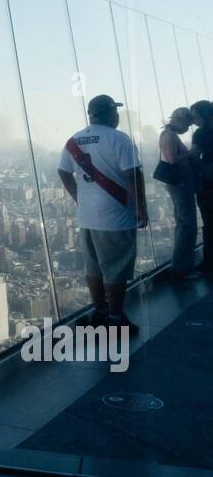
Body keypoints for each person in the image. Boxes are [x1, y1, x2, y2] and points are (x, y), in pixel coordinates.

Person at [58, 94, 147, 333]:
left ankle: (100, 311)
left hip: (87, 216)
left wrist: (78, 196)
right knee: (115, 268)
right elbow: (133, 176)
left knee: (94, 267)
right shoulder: (119, 138)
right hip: (115, 215)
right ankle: (116, 318)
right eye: (115, 111)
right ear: (109, 113)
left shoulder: (74, 140)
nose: (117, 116)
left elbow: (63, 171)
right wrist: (141, 208)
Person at [158, 107, 200, 280]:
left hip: (181, 183)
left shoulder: (169, 134)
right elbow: (172, 159)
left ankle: (181, 266)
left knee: (185, 223)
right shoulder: (169, 136)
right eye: (188, 123)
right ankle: (181, 268)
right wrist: (190, 154)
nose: (188, 128)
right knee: (186, 224)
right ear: (181, 121)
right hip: (180, 184)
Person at [189, 99, 213, 273]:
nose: (193, 120)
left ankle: (209, 262)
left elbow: (194, 157)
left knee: (209, 223)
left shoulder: (200, 134)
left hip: (208, 184)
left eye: (195, 116)